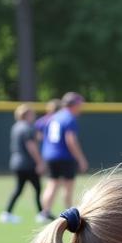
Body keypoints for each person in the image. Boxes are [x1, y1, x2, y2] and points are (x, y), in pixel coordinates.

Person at [38, 91, 89, 222]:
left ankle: (44, 213)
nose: (81, 108)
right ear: (73, 105)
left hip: (50, 155)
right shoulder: (69, 118)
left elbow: (41, 134)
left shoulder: (53, 117)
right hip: (64, 156)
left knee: (52, 184)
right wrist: (81, 158)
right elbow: (70, 140)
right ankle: (69, 214)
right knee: (68, 185)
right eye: (79, 105)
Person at [1, 104, 44, 223]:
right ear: (27, 115)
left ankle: (7, 213)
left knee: (19, 189)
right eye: (32, 113)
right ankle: (41, 214)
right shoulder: (27, 127)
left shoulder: (16, 127)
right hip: (27, 164)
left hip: (16, 162)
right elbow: (31, 146)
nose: (33, 116)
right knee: (37, 188)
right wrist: (40, 162)